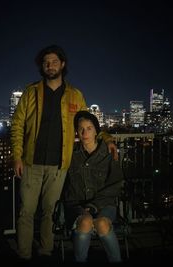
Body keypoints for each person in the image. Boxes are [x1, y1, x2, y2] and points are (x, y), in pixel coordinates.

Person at [10, 44, 118, 261]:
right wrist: (17, 156)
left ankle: (46, 251)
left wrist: (107, 138)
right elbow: (17, 125)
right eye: (46, 62)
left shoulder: (75, 95)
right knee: (26, 212)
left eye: (54, 61)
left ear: (63, 65)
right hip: (31, 162)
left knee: (49, 212)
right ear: (42, 66)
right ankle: (23, 255)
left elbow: (89, 122)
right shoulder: (31, 92)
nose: (50, 65)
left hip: (59, 165)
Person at [62, 111, 124, 263]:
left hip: (105, 204)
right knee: (85, 221)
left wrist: (95, 205)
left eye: (89, 128)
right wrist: (82, 208)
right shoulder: (71, 155)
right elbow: (67, 186)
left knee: (102, 223)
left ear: (97, 131)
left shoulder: (108, 153)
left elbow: (116, 184)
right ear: (76, 131)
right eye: (81, 129)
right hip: (77, 205)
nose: (84, 133)